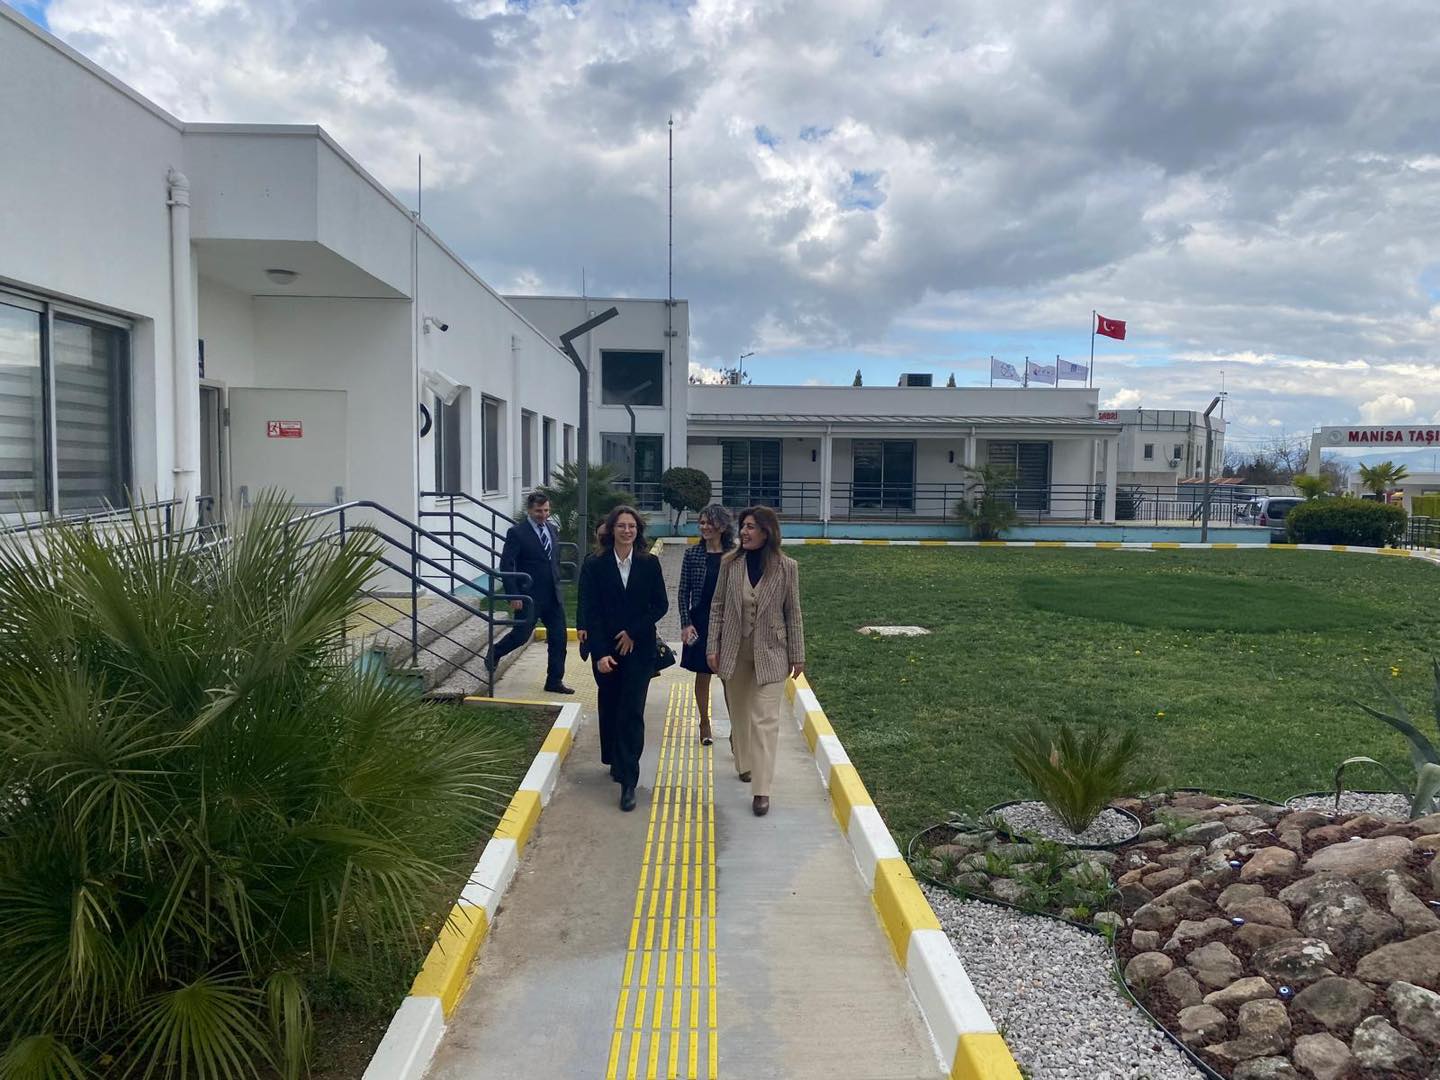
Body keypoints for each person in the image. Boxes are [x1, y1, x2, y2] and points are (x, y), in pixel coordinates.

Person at [707, 506, 805, 817]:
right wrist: (712, 646)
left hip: (772, 653)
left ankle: (761, 791)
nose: (744, 532)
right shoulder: (730, 564)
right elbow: (717, 606)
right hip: (735, 650)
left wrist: (798, 655)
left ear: (766, 531)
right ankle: (745, 763)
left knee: (765, 720)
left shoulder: (787, 567)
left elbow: (793, 613)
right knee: (740, 714)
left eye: (750, 527)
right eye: (743, 526)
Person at [578, 505, 668, 812]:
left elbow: (660, 605)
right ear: (611, 529)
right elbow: (591, 610)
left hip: (639, 650)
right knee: (611, 707)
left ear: (638, 530)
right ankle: (616, 759)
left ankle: (629, 781)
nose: (627, 531)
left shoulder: (649, 563)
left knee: (632, 711)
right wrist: (601, 652)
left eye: (632, 526)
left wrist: (632, 631)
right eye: (621, 526)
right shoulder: (595, 564)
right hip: (607, 651)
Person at [487, 492, 572, 694]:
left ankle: (554, 681)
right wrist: (513, 594)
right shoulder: (517, 533)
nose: (543, 515)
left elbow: (553, 559)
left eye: (546, 510)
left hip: (553, 595)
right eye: (538, 511)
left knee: (559, 638)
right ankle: (495, 652)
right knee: (521, 635)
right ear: (529, 510)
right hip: (529, 596)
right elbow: (507, 564)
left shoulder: (552, 529)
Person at [678, 504, 735, 746]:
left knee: (729, 677)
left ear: (722, 526)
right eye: (701, 522)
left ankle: (736, 729)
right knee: (702, 674)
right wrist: (686, 623)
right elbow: (683, 592)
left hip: (727, 623)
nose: (704, 527)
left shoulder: (735, 554)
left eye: (709, 522)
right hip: (700, 622)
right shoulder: (692, 554)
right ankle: (704, 722)